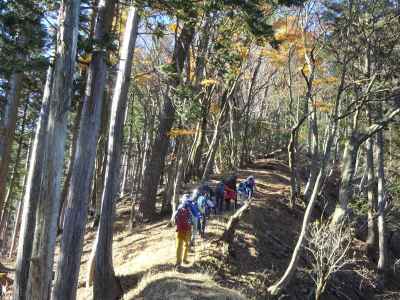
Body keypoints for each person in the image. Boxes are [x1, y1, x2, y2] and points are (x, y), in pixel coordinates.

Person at [174, 198, 192, 268]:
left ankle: (178, 262)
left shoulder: (178, 209)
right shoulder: (189, 210)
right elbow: (192, 219)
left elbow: (174, 219)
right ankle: (184, 259)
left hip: (179, 230)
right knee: (186, 245)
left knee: (179, 246)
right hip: (187, 229)